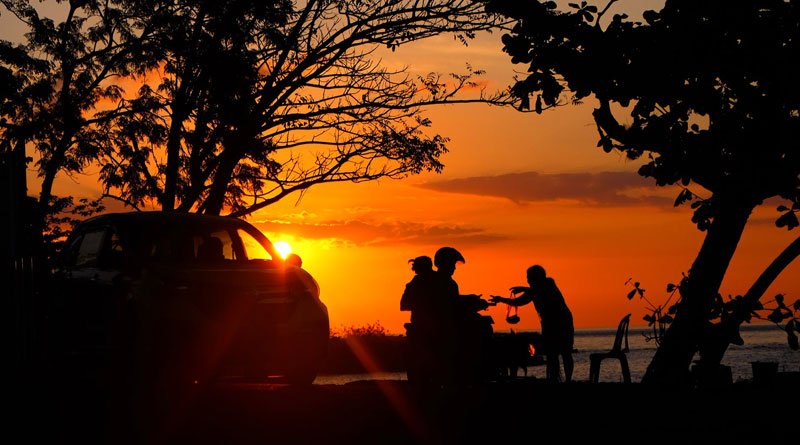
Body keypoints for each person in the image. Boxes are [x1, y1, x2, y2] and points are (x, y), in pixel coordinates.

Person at [491, 265, 574, 382]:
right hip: (548, 324)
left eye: (529, 277)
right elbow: (518, 301)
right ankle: (554, 380)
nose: (527, 280)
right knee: (551, 353)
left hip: (562, 322)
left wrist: (523, 288)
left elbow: (541, 291)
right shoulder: (532, 291)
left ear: (537, 277)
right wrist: (501, 299)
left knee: (566, 352)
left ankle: (568, 381)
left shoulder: (549, 283)